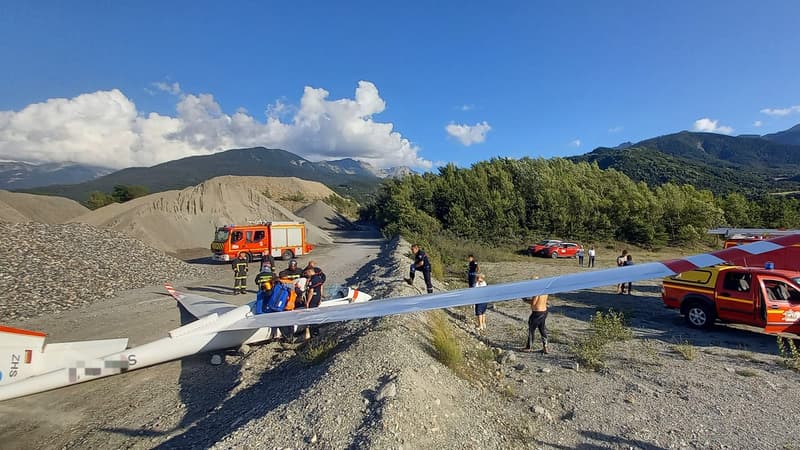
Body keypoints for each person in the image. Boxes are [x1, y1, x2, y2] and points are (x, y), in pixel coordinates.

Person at [523, 279, 549, 354]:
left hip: (537, 313)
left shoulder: (537, 291)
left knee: (531, 330)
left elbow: (533, 303)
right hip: (544, 311)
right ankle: (545, 347)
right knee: (542, 329)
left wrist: (525, 300)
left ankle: (528, 347)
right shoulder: (545, 290)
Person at [301, 264, 326, 339]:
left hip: (313, 298)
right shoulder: (319, 278)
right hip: (317, 297)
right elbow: (321, 287)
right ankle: (316, 331)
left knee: (311, 315)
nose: (306, 275)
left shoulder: (313, 280)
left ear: (309, 271)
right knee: (315, 313)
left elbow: (311, 291)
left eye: (306, 273)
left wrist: (307, 302)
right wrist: (320, 298)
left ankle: (313, 333)